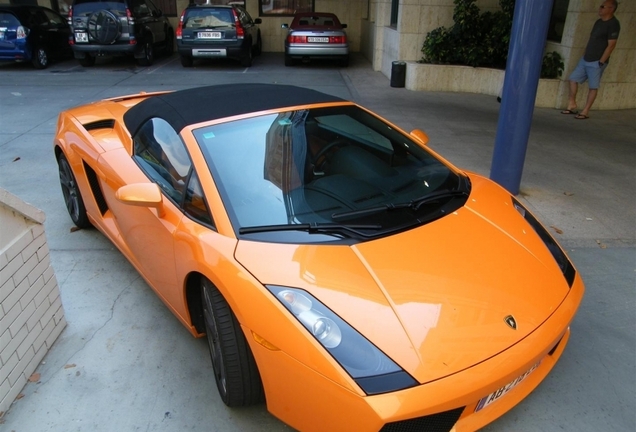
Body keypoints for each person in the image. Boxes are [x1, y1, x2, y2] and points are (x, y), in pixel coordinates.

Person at [561, 0, 620, 120]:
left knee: (593, 86)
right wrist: (584, 54)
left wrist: (601, 61)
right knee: (573, 79)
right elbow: (592, 39)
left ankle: (586, 110)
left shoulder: (613, 24)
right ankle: (572, 103)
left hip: (597, 61)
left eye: (603, 7)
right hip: (586, 58)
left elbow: (611, 45)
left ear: (611, 9)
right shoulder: (598, 22)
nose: (600, 8)